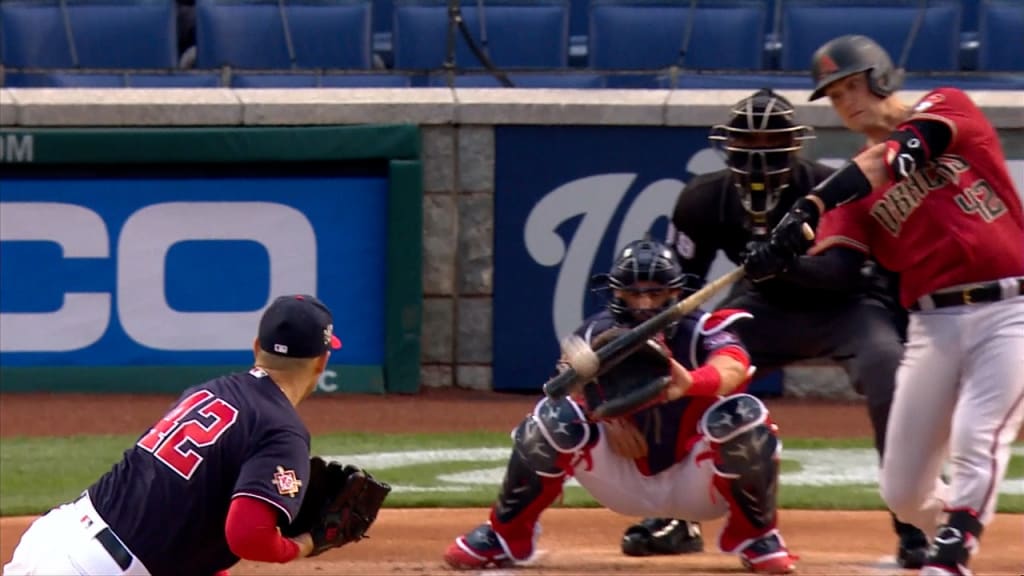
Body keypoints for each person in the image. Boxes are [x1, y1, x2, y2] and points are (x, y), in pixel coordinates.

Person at [749, 35, 1024, 576]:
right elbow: (839, 272)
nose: (847, 101)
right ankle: (953, 520)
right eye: (834, 95)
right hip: (931, 323)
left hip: (1010, 309)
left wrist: (812, 200)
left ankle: (954, 551)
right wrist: (784, 261)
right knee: (901, 490)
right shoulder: (849, 195)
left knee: (978, 433)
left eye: (853, 85)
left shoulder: (948, 106)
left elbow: (897, 159)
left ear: (880, 77)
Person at [625, 87, 929, 568]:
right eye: (748, 148)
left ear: (794, 148)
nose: (760, 160)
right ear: (726, 148)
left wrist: (782, 264)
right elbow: (679, 290)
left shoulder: (830, 187)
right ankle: (677, 517)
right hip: (762, 308)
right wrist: (659, 339)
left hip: (843, 306)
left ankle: (913, 521)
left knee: (888, 370)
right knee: (688, 366)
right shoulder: (703, 200)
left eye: (772, 148)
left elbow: (843, 273)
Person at [443, 239, 799, 575]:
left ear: (676, 292)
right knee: (552, 419)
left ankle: (756, 536)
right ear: (616, 293)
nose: (643, 304)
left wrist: (690, 383)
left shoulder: (705, 328)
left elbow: (732, 367)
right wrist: (605, 414)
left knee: (744, 416)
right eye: (633, 293)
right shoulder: (595, 335)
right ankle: (506, 535)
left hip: (697, 480)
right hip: (622, 475)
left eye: (655, 293)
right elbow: (566, 386)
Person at [4, 294, 343, 575]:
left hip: (52, 537)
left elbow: (183, 510)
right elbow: (247, 536)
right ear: (321, 362)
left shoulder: (209, 392)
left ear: (256, 347)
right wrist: (304, 545)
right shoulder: (283, 431)